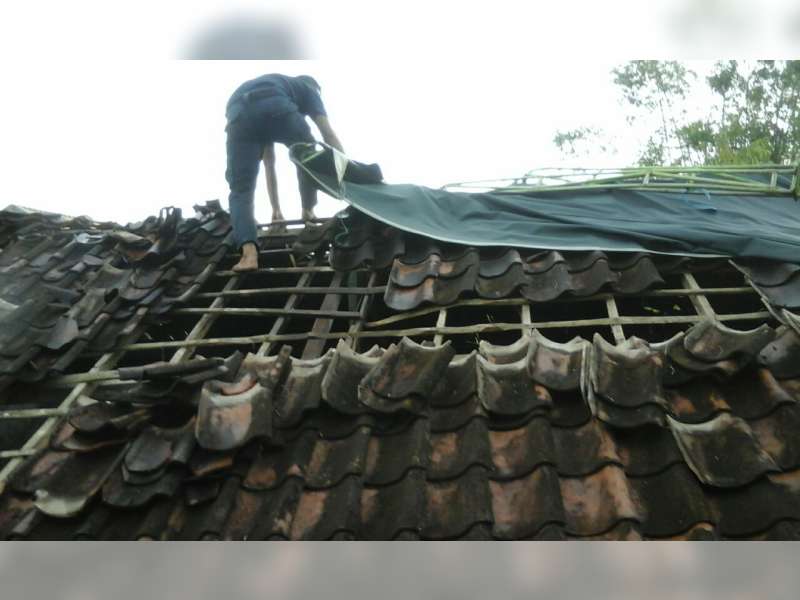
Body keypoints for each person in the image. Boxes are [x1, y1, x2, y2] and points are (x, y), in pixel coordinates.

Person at [224, 74, 344, 272]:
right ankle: (308, 210)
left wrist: (276, 210)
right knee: (307, 158)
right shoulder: (309, 89)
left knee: (240, 189)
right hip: (276, 106)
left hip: (237, 113)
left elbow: (268, 163)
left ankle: (248, 255)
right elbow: (327, 133)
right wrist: (347, 173)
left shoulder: (280, 84)